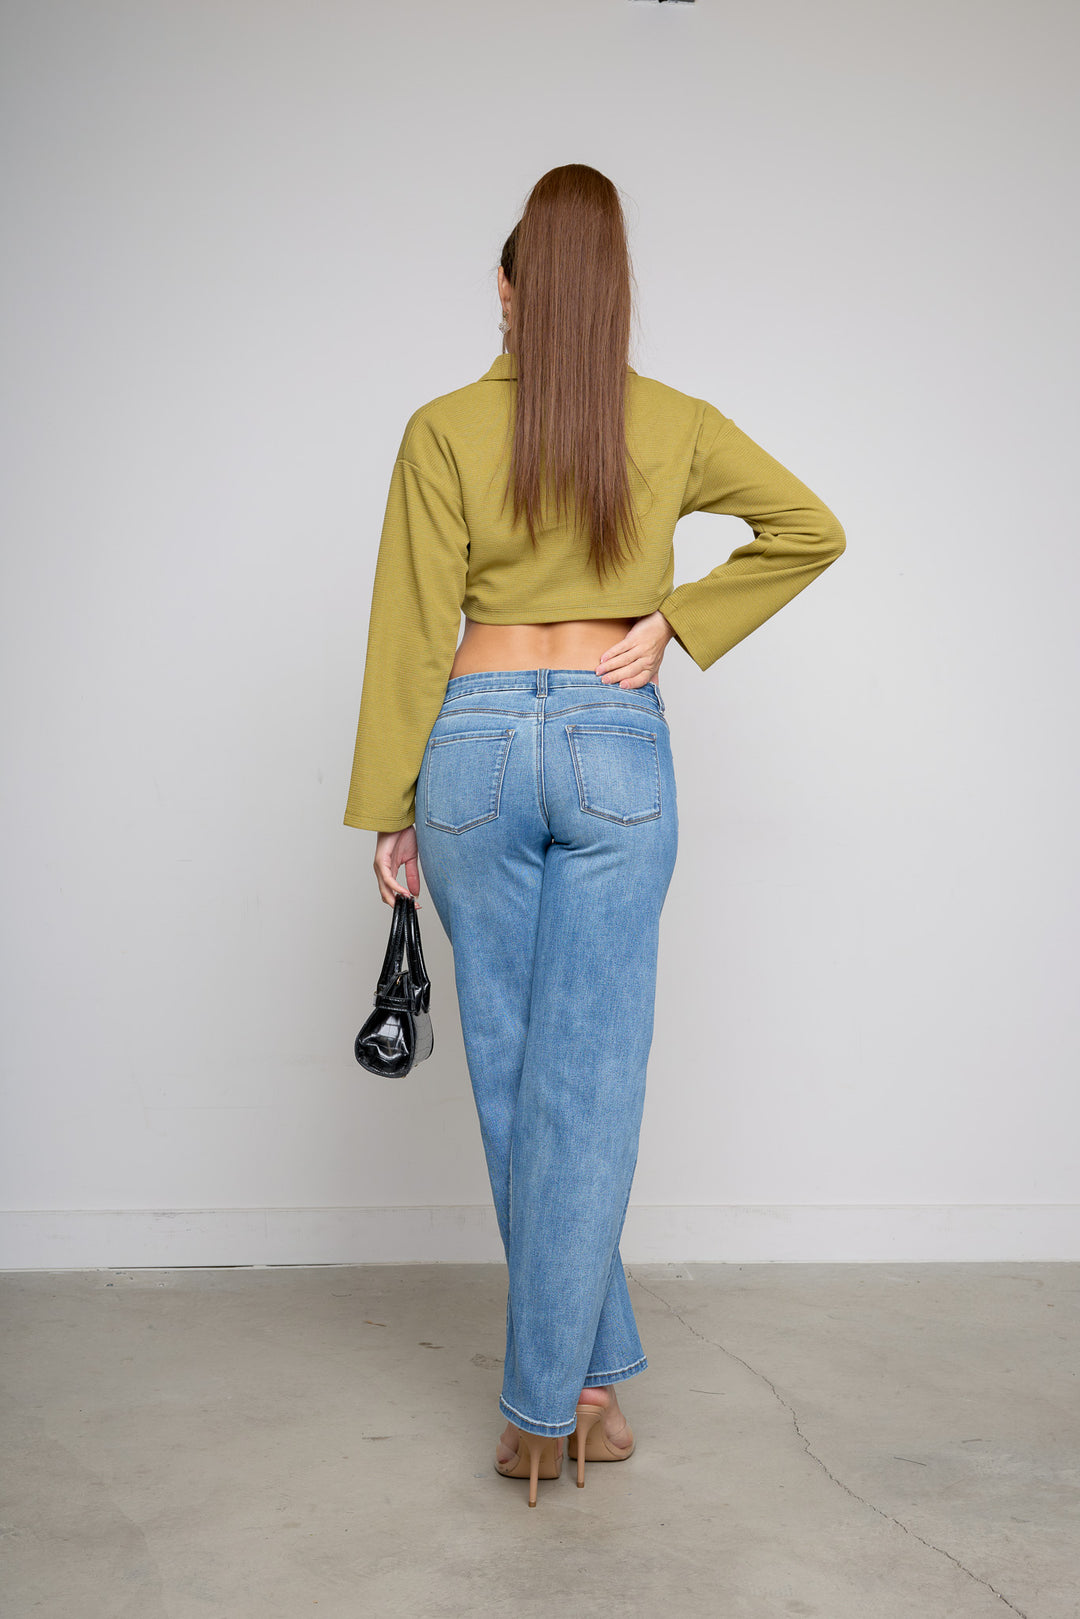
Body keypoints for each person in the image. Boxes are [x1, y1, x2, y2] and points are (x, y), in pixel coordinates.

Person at [343, 163, 846, 1506]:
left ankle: (557, 1402)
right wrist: (673, 621)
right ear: (616, 294)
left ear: (509, 292)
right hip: (614, 744)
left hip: (472, 745)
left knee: (518, 1081)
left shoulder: (443, 428)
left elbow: (411, 628)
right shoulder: (674, 422)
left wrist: (388, 804)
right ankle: (573, 1397)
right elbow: (811, 529)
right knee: (592, 1083)